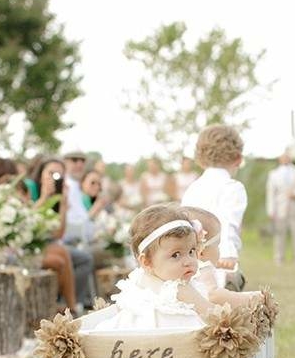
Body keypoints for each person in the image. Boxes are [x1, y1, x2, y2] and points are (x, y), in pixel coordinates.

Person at [84, 205, 211, 332]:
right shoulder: (175, 291)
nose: (189, 261)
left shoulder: (146, 280)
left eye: (191, 251)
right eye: (176, 255)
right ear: (147, 262)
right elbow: (214, 316)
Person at [181, 125, 247, 288]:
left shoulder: (193, 187)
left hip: (191, 260)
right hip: (218, 261)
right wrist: (229, 254)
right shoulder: (233, 187)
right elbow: (228, 221)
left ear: (200, 159)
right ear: (238, 158)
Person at [28, 158, 93, 311]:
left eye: (59, 175)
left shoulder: (58, 196)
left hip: (50, 243)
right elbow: (26, 221)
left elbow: (58, 233)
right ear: (41, 174)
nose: (54, 178)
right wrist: (44, 197)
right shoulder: (31, 188)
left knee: (83, 258)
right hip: (29, 244)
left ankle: (71, 304)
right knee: (61, 255)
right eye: (50, 173)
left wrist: (63, 204)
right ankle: (70, 308)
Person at [184, 206, 263, 308]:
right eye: (218, 245)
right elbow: (214, 295)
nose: (219, 251)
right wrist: (249, 298)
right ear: (201, 251)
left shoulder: (179, 267)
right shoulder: (202, 267)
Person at [265, 150, 295, 265]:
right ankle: (279, 257)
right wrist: (271, 210)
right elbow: (270, 194)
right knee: (279, 233)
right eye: (283, 156)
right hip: (280, 208)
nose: (285, 158)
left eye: (287, 156)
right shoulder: (273, 174)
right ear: (279, 159)